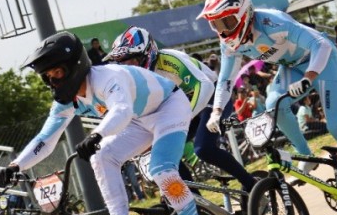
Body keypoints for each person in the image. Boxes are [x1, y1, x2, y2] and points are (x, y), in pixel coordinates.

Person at [0, 31, 213, 215]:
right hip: (138, 120)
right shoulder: (66, 102)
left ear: (74, 66)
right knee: (101, 157)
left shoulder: (107, 78)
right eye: (48, 77)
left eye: (57, 73)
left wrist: (97, 135)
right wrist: (16, 165)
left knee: (162, 170)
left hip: (168, 107)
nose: (53, 82)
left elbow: (121, 110)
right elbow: (45, 139)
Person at [198, 0, 337, 203]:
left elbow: (321, 45)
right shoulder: (229, 43)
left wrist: (309, 76)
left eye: (227, 21)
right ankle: (305, 154)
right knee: (273, 105)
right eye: (216, 24)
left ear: (243, 14)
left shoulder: (272, 22)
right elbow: (225, 80)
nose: (223, 30)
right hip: (291, 67)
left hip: (322, 60)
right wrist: (216, 112)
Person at [105, 26, 258, 197]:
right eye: (122, 63)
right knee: (167, 156)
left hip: (213, 96)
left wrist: (181, 119)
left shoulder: (169, 59)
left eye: (131, 61)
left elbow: (205, 86)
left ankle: (250, 183)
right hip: (186, 107)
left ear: (147, 54)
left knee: (203, 148)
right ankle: (196, 201)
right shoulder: (135, 81)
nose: (128, 67)